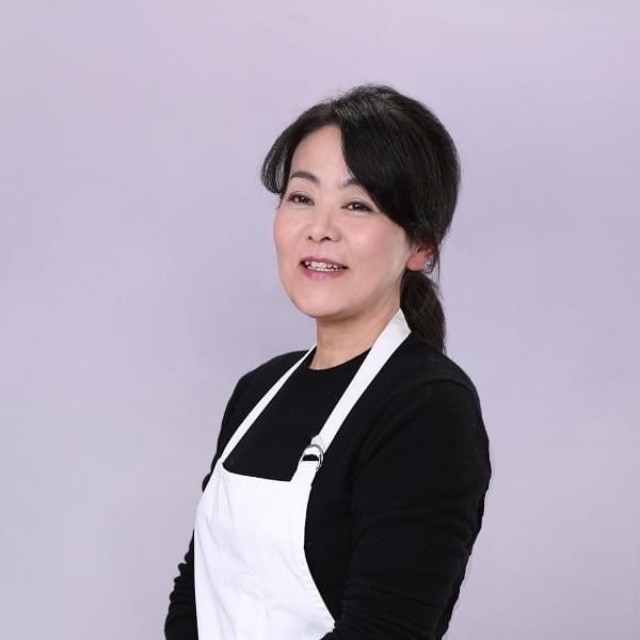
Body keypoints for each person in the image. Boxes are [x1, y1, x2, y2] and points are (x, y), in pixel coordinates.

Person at [165, 84, 491, 640]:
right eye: (301, 197)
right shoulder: (258, 392)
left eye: (357, 205)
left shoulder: (428, 408)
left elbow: (384, 630)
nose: (320, 228)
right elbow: (194, 595)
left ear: (422, 245)